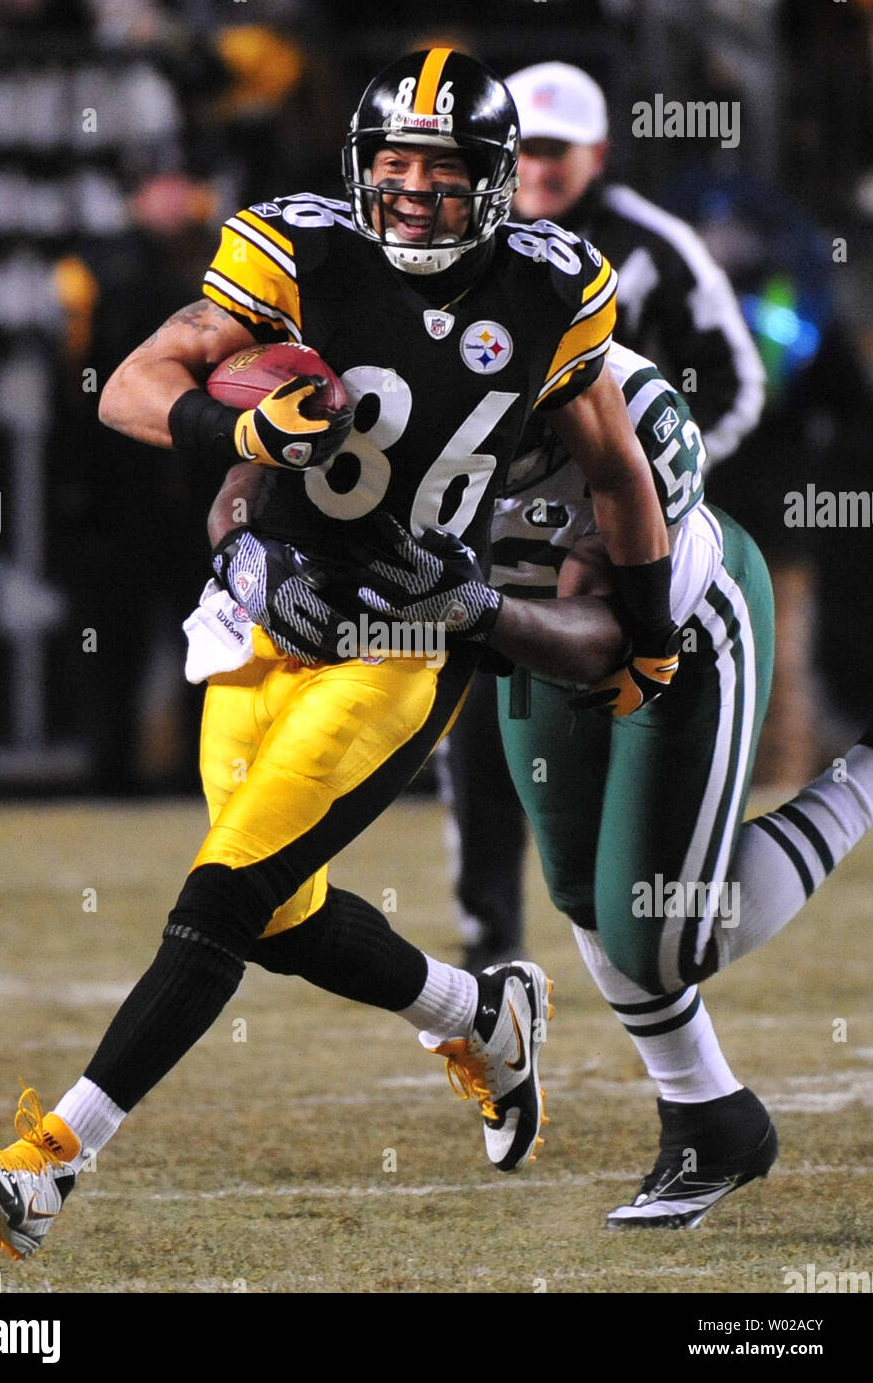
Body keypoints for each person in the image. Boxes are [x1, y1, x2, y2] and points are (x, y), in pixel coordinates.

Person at [0, 47, 671, 1260]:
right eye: (392, 168)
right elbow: (128, 388)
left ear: (493, 183)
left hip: (403, 636)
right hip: (266, 608)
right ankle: (477, 1015)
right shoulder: (297, 247)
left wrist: (644, 639)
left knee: (223, 893)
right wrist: (238, 427)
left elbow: (615, 470)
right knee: (278, 909)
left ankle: (49, 1162)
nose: (414, 195)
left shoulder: (553, 286)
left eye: (441, 173)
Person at [217, 339, 873, 1228]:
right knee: (581, 890)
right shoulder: (381, 374)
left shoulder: (623, 410)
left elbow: (608, 629)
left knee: (662, 936)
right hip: (517, 643)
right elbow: (239, 479)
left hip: (662, 633)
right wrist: (248, 563)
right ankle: (710, 1119)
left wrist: (467, 609)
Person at [445, 59, 768, 975]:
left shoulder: (650, 245)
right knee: (478, 731)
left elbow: (736, 380)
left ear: (598, 152)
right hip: (491, 534)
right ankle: (491, 932)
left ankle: (644, 921)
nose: (540, 167)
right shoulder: (469, 239)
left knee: (625, 727)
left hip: (622, 544)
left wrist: (654, 489)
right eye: (526, 147)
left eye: (558, 149)